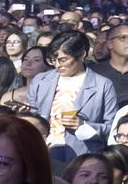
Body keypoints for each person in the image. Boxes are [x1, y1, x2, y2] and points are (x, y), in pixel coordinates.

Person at [26, 32, 119, 161]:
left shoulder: (102, 85)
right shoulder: (41, 80)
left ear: (82, 54)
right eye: (53, 60)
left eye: (63, 60)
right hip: (43, 148)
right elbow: (33, 113)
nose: (57, 65)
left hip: (82, 153)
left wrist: (83, 125)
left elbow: (111, 127)